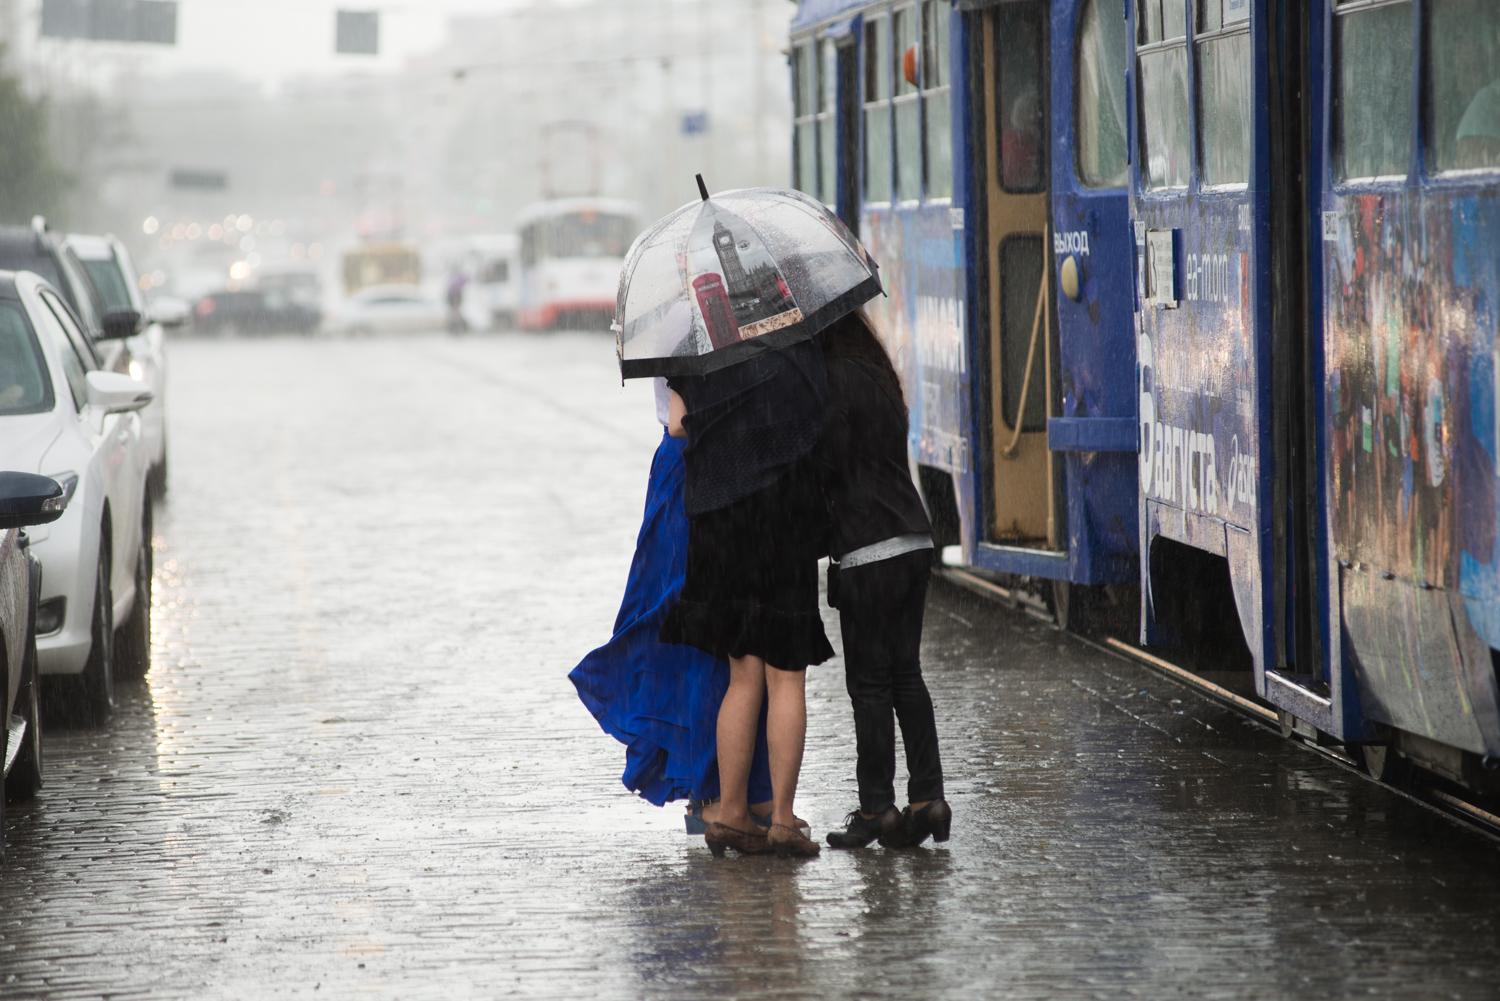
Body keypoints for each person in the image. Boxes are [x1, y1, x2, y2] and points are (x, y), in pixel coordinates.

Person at [569, 382, 778, 824]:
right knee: (701, 631)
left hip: (712, 469)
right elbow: (682, 420)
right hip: (695, 468)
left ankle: (742, 790)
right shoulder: (687, 325)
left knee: (732, 634)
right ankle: (711, 793)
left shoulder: (714, 319)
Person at [662, 337, 832, 858]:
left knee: (742, 674)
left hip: (722, 521)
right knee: (786, 675)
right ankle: (781, 818)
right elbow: (821, 421)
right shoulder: (796, 347)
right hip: (783, 517)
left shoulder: (697, 347)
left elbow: (674, 425)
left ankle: (732, 813)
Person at [817, 311, 951, 850]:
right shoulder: (878, 375)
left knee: (869, 685)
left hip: (867, 547)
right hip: (913, 537)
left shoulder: (828, 383)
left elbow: (827, 468)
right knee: (906, 676)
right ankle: (929, 798)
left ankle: (877, 808)